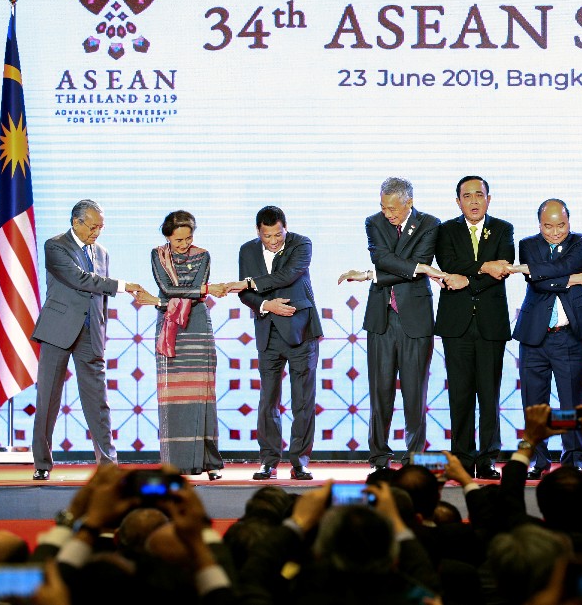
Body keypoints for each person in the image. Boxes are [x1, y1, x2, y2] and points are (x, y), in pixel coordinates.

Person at [31, 199, 145, 481]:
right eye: (93, 226)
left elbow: (100, 300)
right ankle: (42, 463)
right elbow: (80, 279)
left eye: (101, 227)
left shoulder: (102, 252)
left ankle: (108, 465)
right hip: (58, 331)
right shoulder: (55, 246)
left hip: (90, 333)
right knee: (48, 400)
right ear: (76, 222)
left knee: (98, 401)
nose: (97, 232)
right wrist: (123, 285)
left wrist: (102, 331)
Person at [339, 177, 444, 472]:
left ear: (408, 202)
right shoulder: (373, 222)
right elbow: (383, 258)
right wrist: (414, 268)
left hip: (416, 318)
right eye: (384, 208)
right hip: (381, 318)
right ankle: (379, 457)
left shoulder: (429, 223)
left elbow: (413, 262)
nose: (388, 214)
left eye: (393, 209)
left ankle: (414, 457)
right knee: (379, 391)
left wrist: (371, 274)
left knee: (415, 392)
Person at [510, 199, 582, 478]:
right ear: (539, 224)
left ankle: (573, 459)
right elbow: (537, 282)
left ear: (569, 222)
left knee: (570, 402)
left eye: (560, 225)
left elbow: (560, 267)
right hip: (534, 337)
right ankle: (538, 461)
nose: (554, 232)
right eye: (548, 226)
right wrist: (573, 279)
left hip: (569, 335)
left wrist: (539, 271)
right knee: (534, 405)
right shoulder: (527, 245)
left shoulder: (581, 242)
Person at [131, 211, 226, 479]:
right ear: (167, 237)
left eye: (188, 238)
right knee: (173, 398)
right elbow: (169, 288)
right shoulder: (157, 255)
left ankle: (211, 464)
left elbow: (188, 292)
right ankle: (176, 466)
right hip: (170, 329)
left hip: (197, 326)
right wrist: (204, 291)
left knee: (203, 396)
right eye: (178, 240)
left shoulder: (203, 255)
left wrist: (164, 299)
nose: (184, 244)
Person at [434, 176, 515, 480]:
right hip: (457, 324)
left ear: (488, 199)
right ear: (458, 202)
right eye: (466, 196)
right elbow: (448, 261)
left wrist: (467, 278)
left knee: (489, 393)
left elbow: (503, 267)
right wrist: (482, 267)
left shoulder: (503, 228)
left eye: (479, 194)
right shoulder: (446, 229)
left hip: (490, 323)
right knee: (460, 394)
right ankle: (463, 458)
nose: (473, 200)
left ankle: (488, 458)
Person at [237, 205, 323, 481]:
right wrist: (265, 304)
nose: (273, 241)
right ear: (258, 232)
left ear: (285, 228)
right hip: (268, 332)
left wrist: (249, 283)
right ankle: (268, 460)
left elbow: (288, 276)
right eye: (267, 236)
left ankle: (300, 461)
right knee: (268, 401)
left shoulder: (301, 244)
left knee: (303, 400)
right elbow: (244, 295)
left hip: (301, 332)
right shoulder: (247, 250)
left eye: (278, 235)